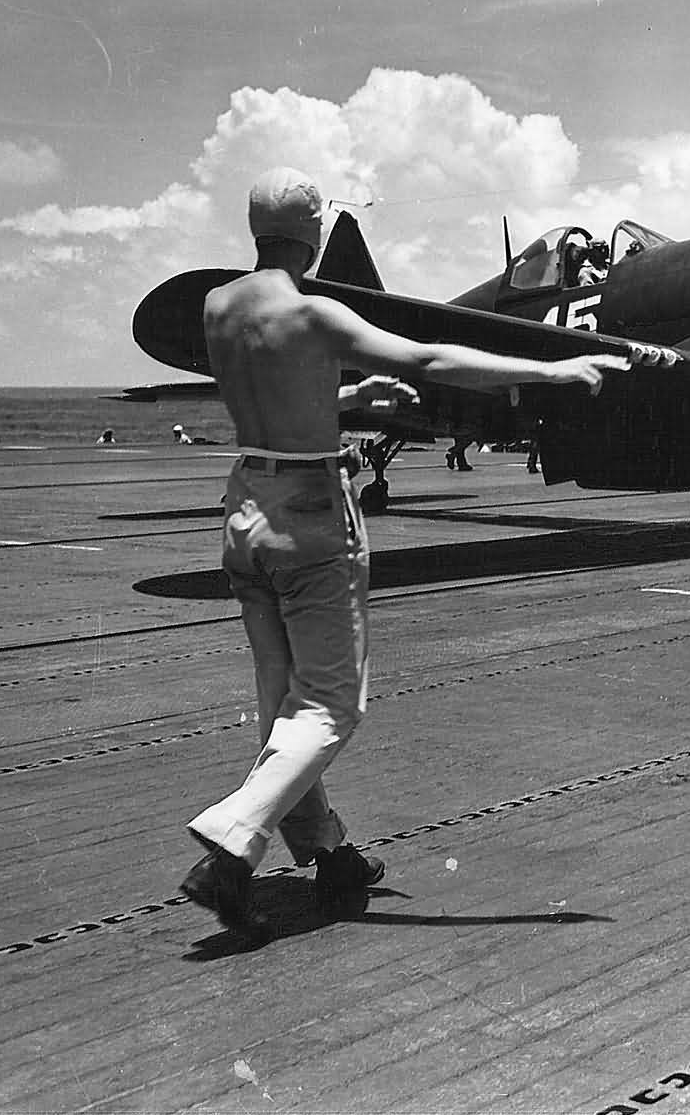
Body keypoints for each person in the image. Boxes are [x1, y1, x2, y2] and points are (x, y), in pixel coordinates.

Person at [180, 167, 642, 935]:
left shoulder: (216, 306)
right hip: (310, 518)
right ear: (317, 235)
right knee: (328, 705)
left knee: (281, 703)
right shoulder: (318, 314)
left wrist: (349, 404)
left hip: (245, 512)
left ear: (255, 228)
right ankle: (231, 844)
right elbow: (428, 358)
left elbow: (272, 402)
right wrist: (553, 367)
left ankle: (326, 853)